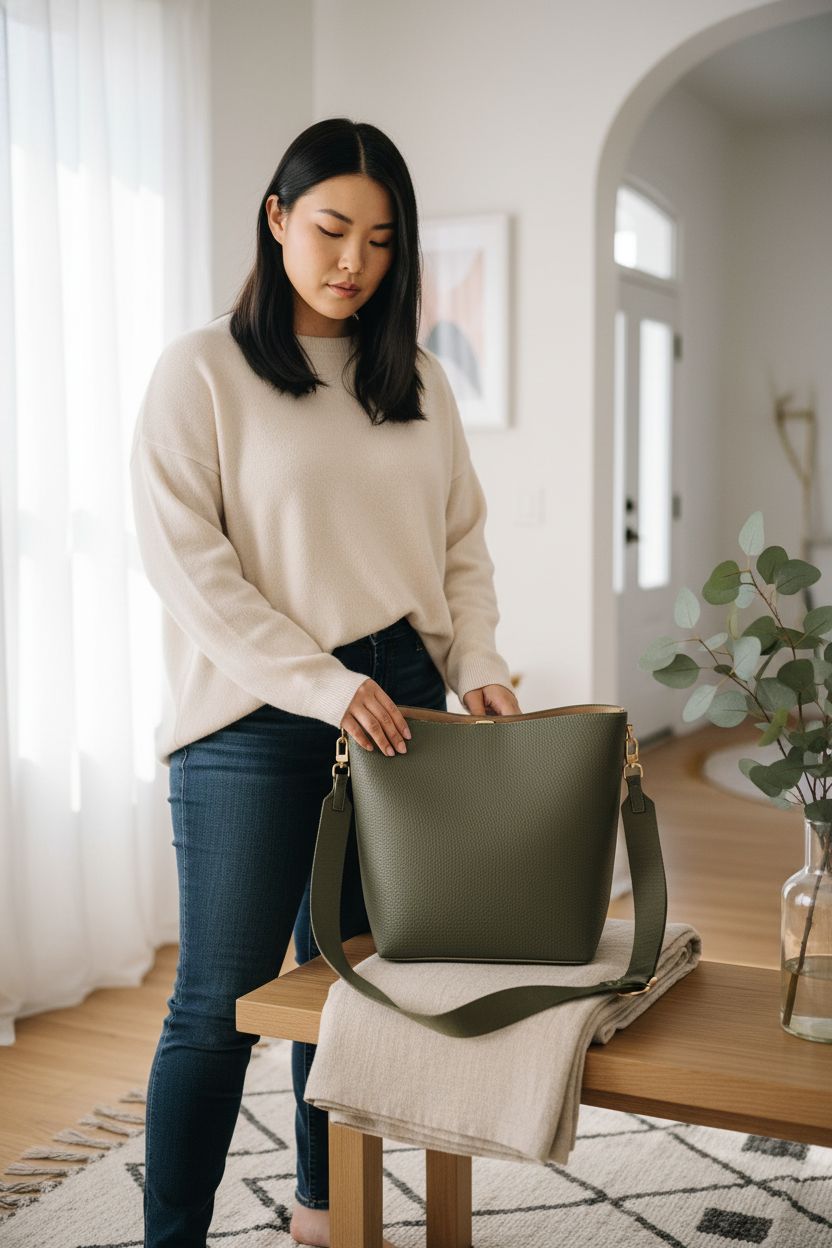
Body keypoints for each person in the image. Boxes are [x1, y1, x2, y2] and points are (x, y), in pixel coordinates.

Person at [129, 115, 520, 1248]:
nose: (354, 260)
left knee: (349, 988)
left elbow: (461, 549)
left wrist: (478, 665)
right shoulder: (200, 370)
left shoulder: (421, 381)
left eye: (382, 239)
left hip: (404, 696)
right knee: (221, 1004)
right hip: (254, 711)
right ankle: (171, 1239)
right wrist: (314, 681)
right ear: (277, 219)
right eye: (332, 228)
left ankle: (323, 1211)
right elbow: (187, 566)